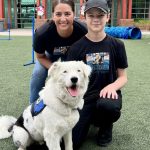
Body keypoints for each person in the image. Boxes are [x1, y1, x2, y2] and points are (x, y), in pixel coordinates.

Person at [67, 0, 128, 148]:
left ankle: (105, 127)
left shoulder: (117, 45)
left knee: (108, 106)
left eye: (100, 15)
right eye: (91, 15)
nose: (96, 19)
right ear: (84, 17)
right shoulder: (76, 48)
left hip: (107, 96)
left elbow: (123, 77)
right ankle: (89, 120)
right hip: (84, 98)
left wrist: (112, 87)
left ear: (107, 17)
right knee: (72, 143)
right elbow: (69, 80)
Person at [29, 0, 87, 104]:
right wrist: (55, 69)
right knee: (38, 73)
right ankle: (33, 106)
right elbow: (40, 56)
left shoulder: (83, 31)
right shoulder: (42, 34)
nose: (63, 19)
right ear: (53, 16)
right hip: (49, 56)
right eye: (58, 14)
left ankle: (85, 103)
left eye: (67, 14)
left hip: (73, 59)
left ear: (74, 14)